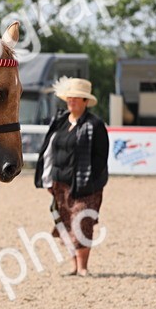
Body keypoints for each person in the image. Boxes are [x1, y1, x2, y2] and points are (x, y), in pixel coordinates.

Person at [33, 77, 110, 276]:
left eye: (77, 98)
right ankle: (74, 265)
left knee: (82, 222)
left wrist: (91, 181)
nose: (72, 101)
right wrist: (47, 178)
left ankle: (83, 267)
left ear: (86, 102)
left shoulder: (95, 125)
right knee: (66, 222)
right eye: (70, 97)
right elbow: (47, 150)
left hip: (86, 186)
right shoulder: (59, 122)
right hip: (60, 182)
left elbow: (101, 157)